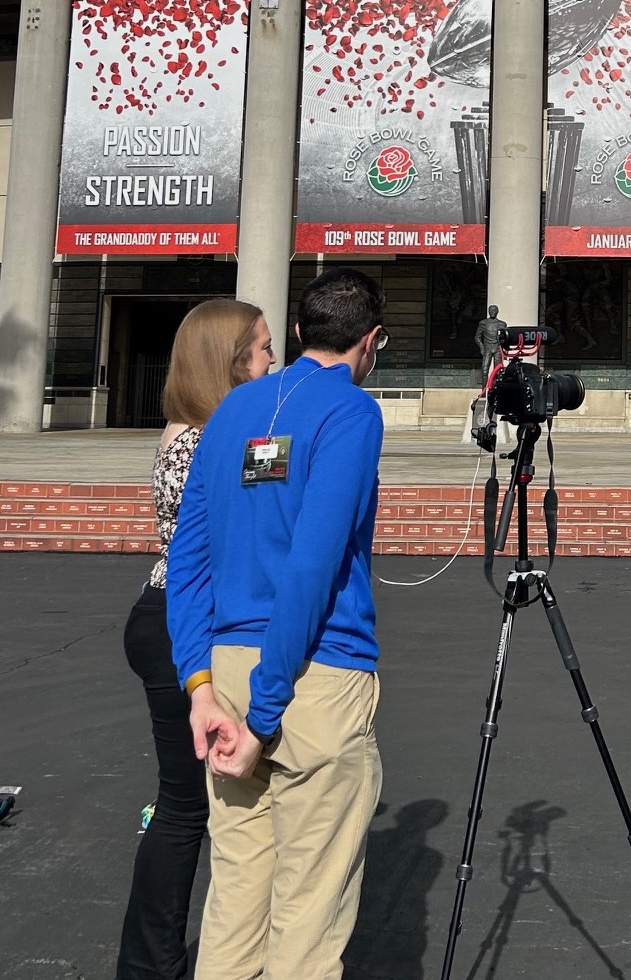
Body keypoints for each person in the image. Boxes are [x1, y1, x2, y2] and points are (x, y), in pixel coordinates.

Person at [166, 267, 387, 980]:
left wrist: (199, 686)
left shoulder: (233, 410)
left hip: (227, 669)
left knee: (235, 893)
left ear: (297, 333)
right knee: (308, 912)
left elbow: (187, 559)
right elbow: (311, 566)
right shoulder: (351, 412)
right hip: (311, 672)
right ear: (370, 342)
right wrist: (266, 712)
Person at [117, 298, 276, 980]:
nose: (274, 360)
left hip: (181, 617)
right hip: (187, 626)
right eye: (264, 348)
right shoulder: (207, 438)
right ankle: (153, 965)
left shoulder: (205, 429)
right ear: (230, 360)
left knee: (194, 803)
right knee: (186, 808)